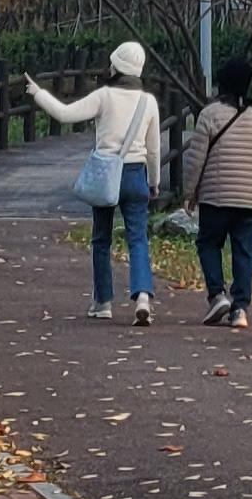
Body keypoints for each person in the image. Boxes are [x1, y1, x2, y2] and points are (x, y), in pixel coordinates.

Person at [26, 41, 161, 324]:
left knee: (101, 239)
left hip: (106, 174)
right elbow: (154, 149)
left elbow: (65, 114)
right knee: (138, 238)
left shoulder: (104, 96)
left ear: (116, 67)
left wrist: (38, 93)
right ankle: (142, 296)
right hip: (136, 174)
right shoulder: (148, 102)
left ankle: (103, 302)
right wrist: (154, 181)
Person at [180, 54, 252, 328]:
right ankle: (240, 309)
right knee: (245, 252)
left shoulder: (209, 115)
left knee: (209, 243)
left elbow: (195, 159)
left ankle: (217, 295)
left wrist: (189, 193)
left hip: (217, 197)